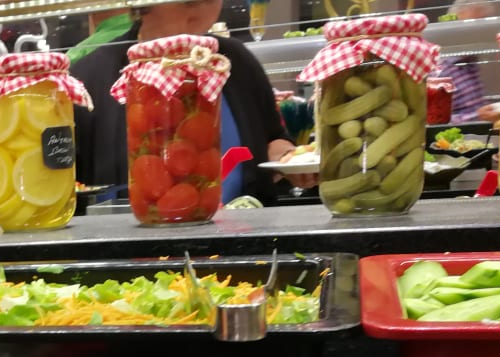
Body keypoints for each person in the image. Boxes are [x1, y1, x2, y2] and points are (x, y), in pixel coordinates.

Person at [71, 0, 317, 205]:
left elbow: (273, 137)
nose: (201, 9)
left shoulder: (234, 61)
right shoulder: (92, 76)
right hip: (135, 241)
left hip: (242, 236)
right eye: (187, 3)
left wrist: (290, 160)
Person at [435, 0, 496, 122]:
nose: (478, 35)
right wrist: (478, 116)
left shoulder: (471, 60)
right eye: (472, 28)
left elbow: (473, 106)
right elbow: (435, 120)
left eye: (483, 28)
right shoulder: (441, 69)